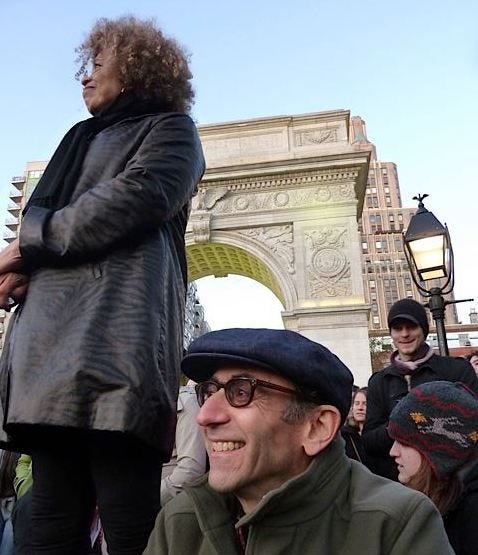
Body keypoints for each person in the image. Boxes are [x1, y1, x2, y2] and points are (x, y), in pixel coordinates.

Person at [0, 15, 205, 555]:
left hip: (115, 350)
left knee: (128, 515)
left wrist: (26, 245)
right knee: (49, 513)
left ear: (135, 66)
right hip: (50, 352)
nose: (84, 76)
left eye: (97, 64)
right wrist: (23, 271)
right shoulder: (78, 139)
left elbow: (134, 198)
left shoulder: (172, 130)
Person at [144, 328, 454, 554]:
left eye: (241, 392)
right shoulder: (179, 521)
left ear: (317, 427)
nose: (205, 416)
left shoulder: (398, 526)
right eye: (209, 392)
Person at [363, 298, 478, 480]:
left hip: (453, 481)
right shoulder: (380, 382)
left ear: (424, 329)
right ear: (391, 333)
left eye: (411, 327)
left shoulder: (456, 370)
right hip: (399, 483)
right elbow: (369, 441)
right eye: (398, 328)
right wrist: (402, 422)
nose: (405, 334)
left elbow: (472, 424)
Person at [388, 381, 478, 555]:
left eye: (404, 443)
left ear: (439, 450)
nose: (393, 452)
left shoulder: (471, 515)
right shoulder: (445, 497)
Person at [160, 381, 207, 506]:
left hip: (164, 505)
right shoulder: (134, 404)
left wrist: (145, 498)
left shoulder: (185, 401)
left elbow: (190, 471)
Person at [341, 388, 368, 464]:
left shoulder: (379, 437)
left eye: (365, 404)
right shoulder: (344, 435)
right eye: (357, 403)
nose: (360, 408)